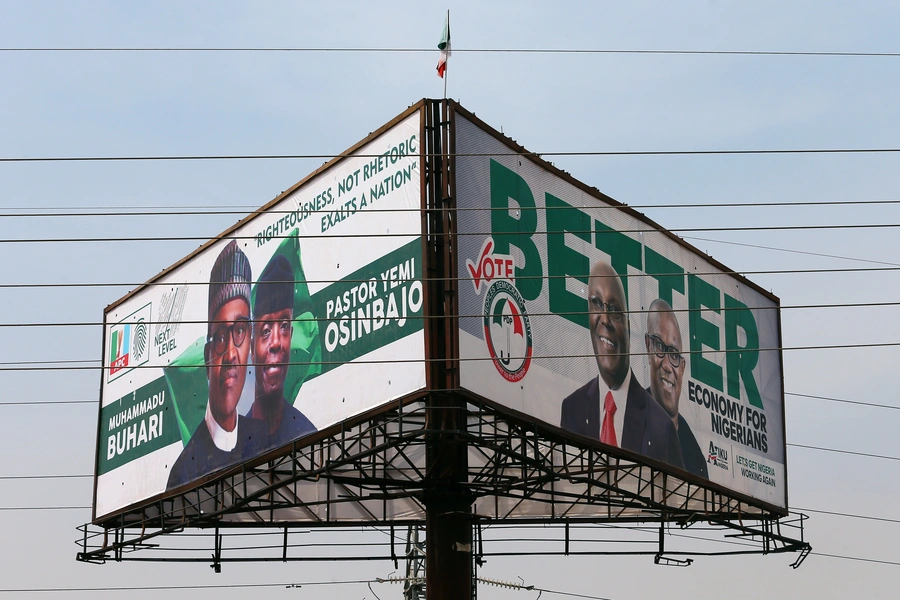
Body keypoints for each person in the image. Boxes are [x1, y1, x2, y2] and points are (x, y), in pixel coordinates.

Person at [560, 261, 684, 469]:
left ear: (628, 327)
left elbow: (680, 498)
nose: (605, 319)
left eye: (615, 310)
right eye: (597, 303)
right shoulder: (572, 408)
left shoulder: (661, 426)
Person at [167, 241, 266, 490]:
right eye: (221, 337)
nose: (232, 353)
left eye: (240, 331)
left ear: (251, 347)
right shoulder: (184, 473)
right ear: (207, 356)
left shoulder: (265, 441)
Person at [247, 254, 316, 449]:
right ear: (252, 349)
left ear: (291, 336)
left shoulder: (307, 437)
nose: (276, 342)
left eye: (284, 326)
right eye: (266, 331)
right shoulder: (230, 452)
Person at [645, 299, 708, 479]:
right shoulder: (628, 416)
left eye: (673, 354)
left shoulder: (696, 457)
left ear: (682, 367)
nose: (666, 365)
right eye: (658, 346)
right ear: (647, 346)